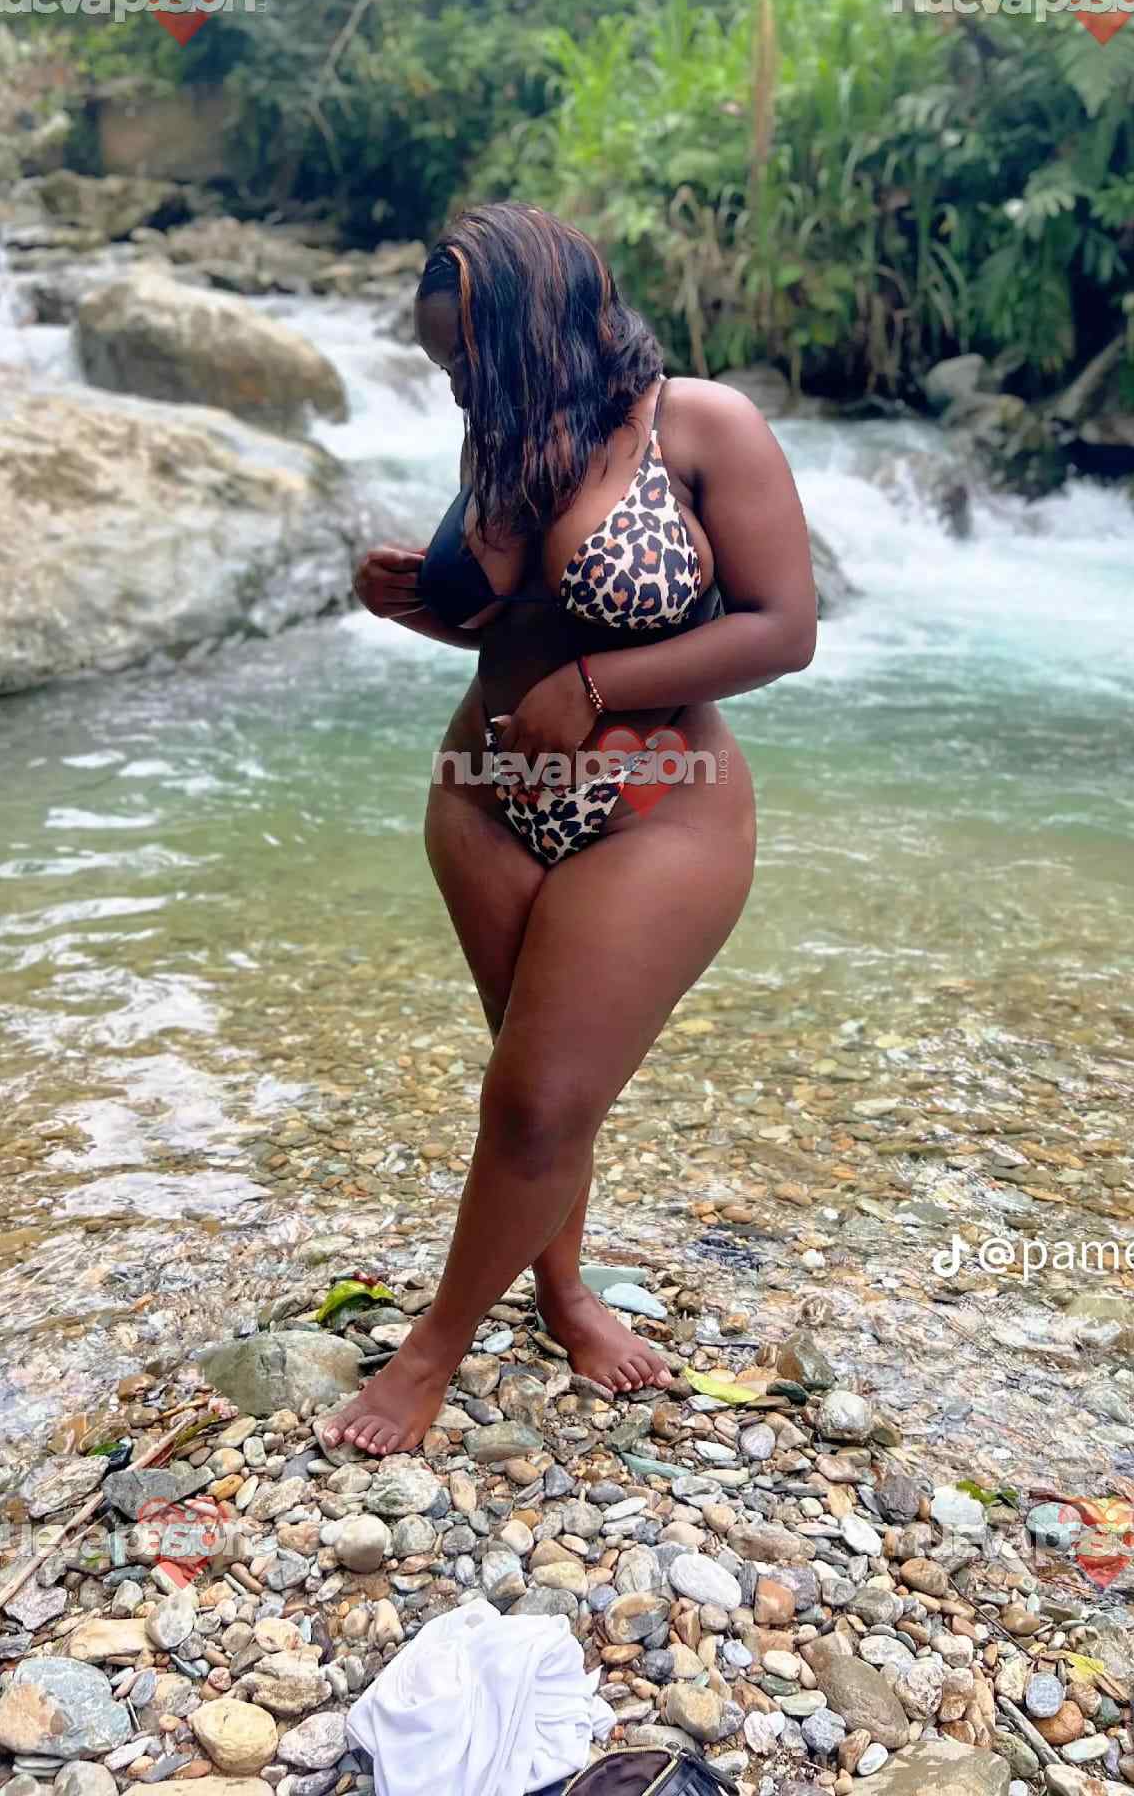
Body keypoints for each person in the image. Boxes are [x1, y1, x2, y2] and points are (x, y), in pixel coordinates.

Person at [329, 202, 817, 1455]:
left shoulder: (700, 425)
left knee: (542, 1099)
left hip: (658, 809)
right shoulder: (503, 436)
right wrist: (410, 603)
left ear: (537, 325)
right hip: (483, 802)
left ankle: (430, 1349)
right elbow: (514, 620)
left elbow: (783, 627)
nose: (454, 385)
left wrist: (599, 689)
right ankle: (563, 1292)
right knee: (534, 1081)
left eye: (465, 358)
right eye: (442, 364)